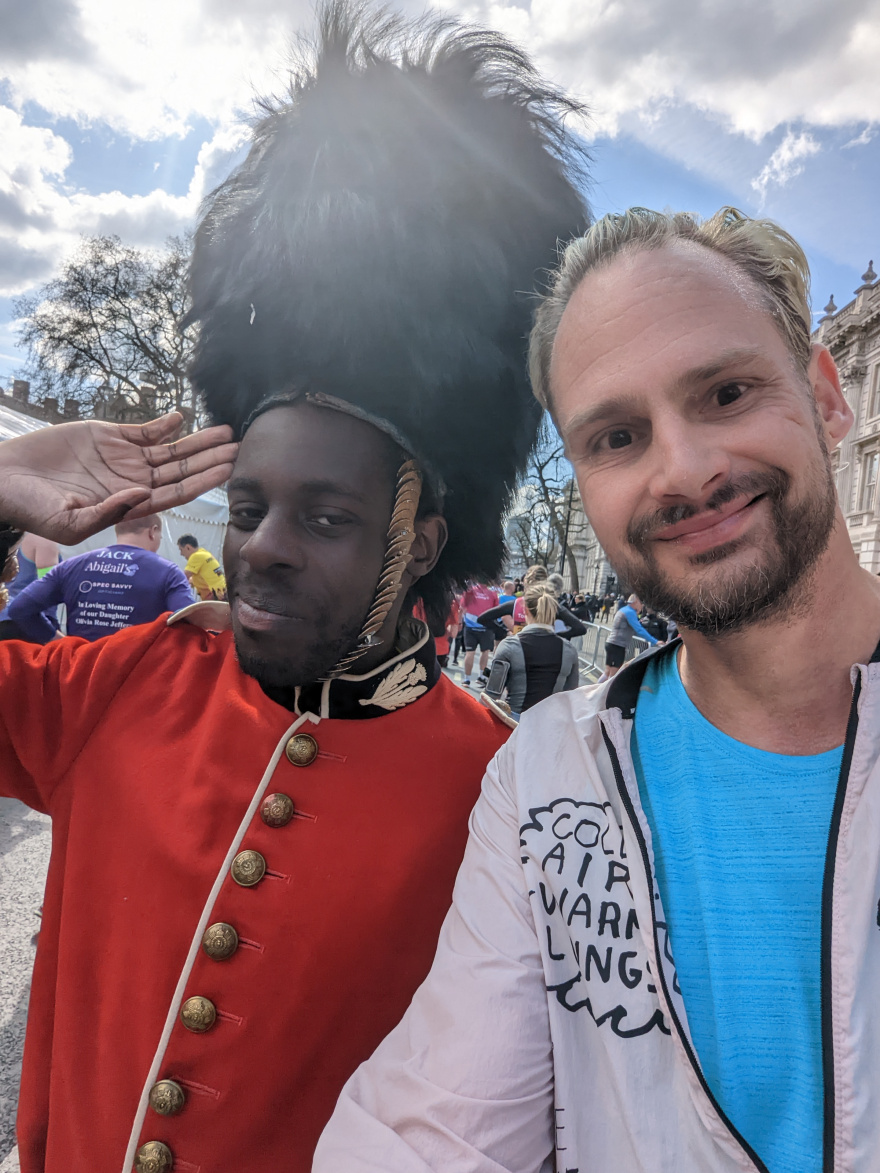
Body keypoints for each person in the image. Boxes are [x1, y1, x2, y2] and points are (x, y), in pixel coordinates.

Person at [0, 7, 586, 1173]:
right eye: (252, 506)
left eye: (324, 519)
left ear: (424, 539)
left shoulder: (500, 792)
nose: (260, 548)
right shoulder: (125, 687)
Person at [314, 205, 880, 1173]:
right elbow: (425, 1136)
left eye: (727, 392)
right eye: (616, 437)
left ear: (828, 398)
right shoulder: (543, 776)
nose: (685, 469)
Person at [7, 513, 193, 642]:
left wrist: (55, 640)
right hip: (137, 675)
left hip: (79, 672)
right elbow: (189, 624)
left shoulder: (73, 566)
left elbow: (20, 608)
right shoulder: (169, 573)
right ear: (152, 531)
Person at [486, 582, 580, 719]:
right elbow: (571, 697)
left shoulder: (509, 646)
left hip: (514, 725)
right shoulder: (569, 650)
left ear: (525, 611)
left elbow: (490, 698)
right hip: (551, 727)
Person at [598, 590, 661, 680]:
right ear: (635, 602)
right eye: (640, 602)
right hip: (618, 645)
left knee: (607, 672)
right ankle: (606, 693)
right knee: (613, 676)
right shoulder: (630, 612)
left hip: (611, 643)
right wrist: (655, 641)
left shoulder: (623, 610)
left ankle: (596, 690)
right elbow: (639, 629)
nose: (642, 605)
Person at [459, 580, 499, 687]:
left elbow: (462, 607)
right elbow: (496, 611)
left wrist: (459, 621)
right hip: (486, 628)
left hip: (470, 627)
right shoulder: (493, 594)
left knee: (470, 652)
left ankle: (467, 679)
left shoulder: (469, 591)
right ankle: (482, 677)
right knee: (485, 652)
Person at [177, 533, 227, 600]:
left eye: (181, 550)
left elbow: (183, 577)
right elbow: (202, 577)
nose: (181, 554)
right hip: (223, 592)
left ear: (188, 547)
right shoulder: (205, 553)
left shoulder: (195, 556)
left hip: (215, 596)